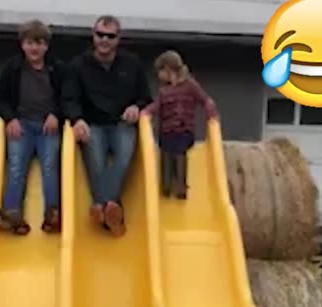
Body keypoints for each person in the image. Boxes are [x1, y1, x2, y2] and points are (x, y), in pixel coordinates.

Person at [62, 15, 152, 236]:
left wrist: (136, 107)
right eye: (100, 35)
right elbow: (69, 99)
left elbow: (145, 96)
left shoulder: (132, 63)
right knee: (96, 164)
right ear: (93, 36)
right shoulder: (77, 66)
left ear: (118, 39)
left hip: (122, 123)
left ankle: (101, 206)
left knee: (124, 158)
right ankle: (114, 212)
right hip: (92, 123)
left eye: (110, 36)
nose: (104, 40)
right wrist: (77, 119)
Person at [0, 20, 65, 234]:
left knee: (50, 166)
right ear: (22, 44)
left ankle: (53, 213)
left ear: (46, 46)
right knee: (16, 166)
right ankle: (12, 213)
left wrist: (56, 115)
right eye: (30, 43)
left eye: (39, 43)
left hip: (47, 127)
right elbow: (0, 100)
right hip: (22, 125)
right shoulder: (13, 68)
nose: (34, 48)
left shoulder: (57, 68)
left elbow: (67, 97)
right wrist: (10, 119)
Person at [142, 50, 218, 199]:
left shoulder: (190, 86)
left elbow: (204, 99)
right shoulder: (164, 91)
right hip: (167, 132)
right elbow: (156, 106)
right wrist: (146, 112)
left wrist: (211, 111)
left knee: (178, 150)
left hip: (184, 130)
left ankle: (180, 185)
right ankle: (166, 184)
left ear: (168, 69)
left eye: (160, 72)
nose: (158, 76)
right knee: (166, 152)